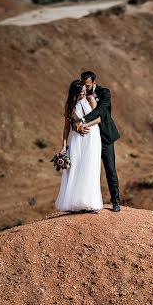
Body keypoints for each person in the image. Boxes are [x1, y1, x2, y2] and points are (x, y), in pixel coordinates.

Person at [76, 70, 121, 212]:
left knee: (110, 169)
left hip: (105, 136)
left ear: (94, 83)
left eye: (88, 86)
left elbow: (101, 110)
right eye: (84, 85)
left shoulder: (105, 92)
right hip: (88, 138)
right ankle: (88, 202)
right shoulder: (80, 94)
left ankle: (115, 202)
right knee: (88, 169)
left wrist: (83, 120)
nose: (85, 88)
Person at [55, 80, 103, 213]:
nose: (83, 92)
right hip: (76, 140)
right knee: (75, 168)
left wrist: (82, 125)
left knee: (90, 167)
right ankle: (75, 203)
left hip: (92, 137)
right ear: (74, 92)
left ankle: (91, 203)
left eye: (84, 90)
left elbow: (98, 118)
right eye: (80, 91)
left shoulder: (90, 98)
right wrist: (64, 146)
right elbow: (66, 127)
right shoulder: (69, 105)